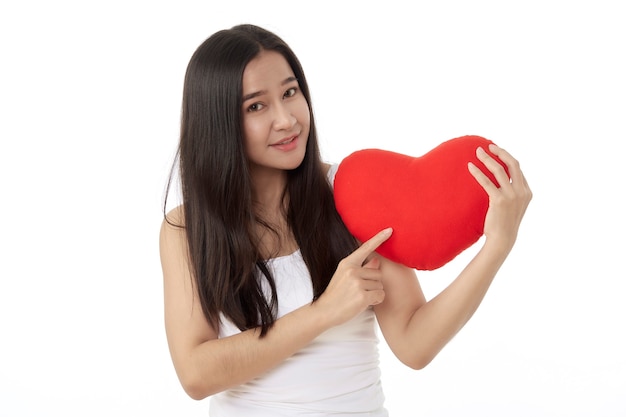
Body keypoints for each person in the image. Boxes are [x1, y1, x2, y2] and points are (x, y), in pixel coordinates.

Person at [159, 24, 532, 416]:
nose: (286, 119)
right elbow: (196, 374)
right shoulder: (186, 229)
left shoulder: (354, 194)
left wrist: (497, 247)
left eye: (290, 92)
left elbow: (414, 343)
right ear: (218, 123)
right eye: (256, 106)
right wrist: (323, 312)